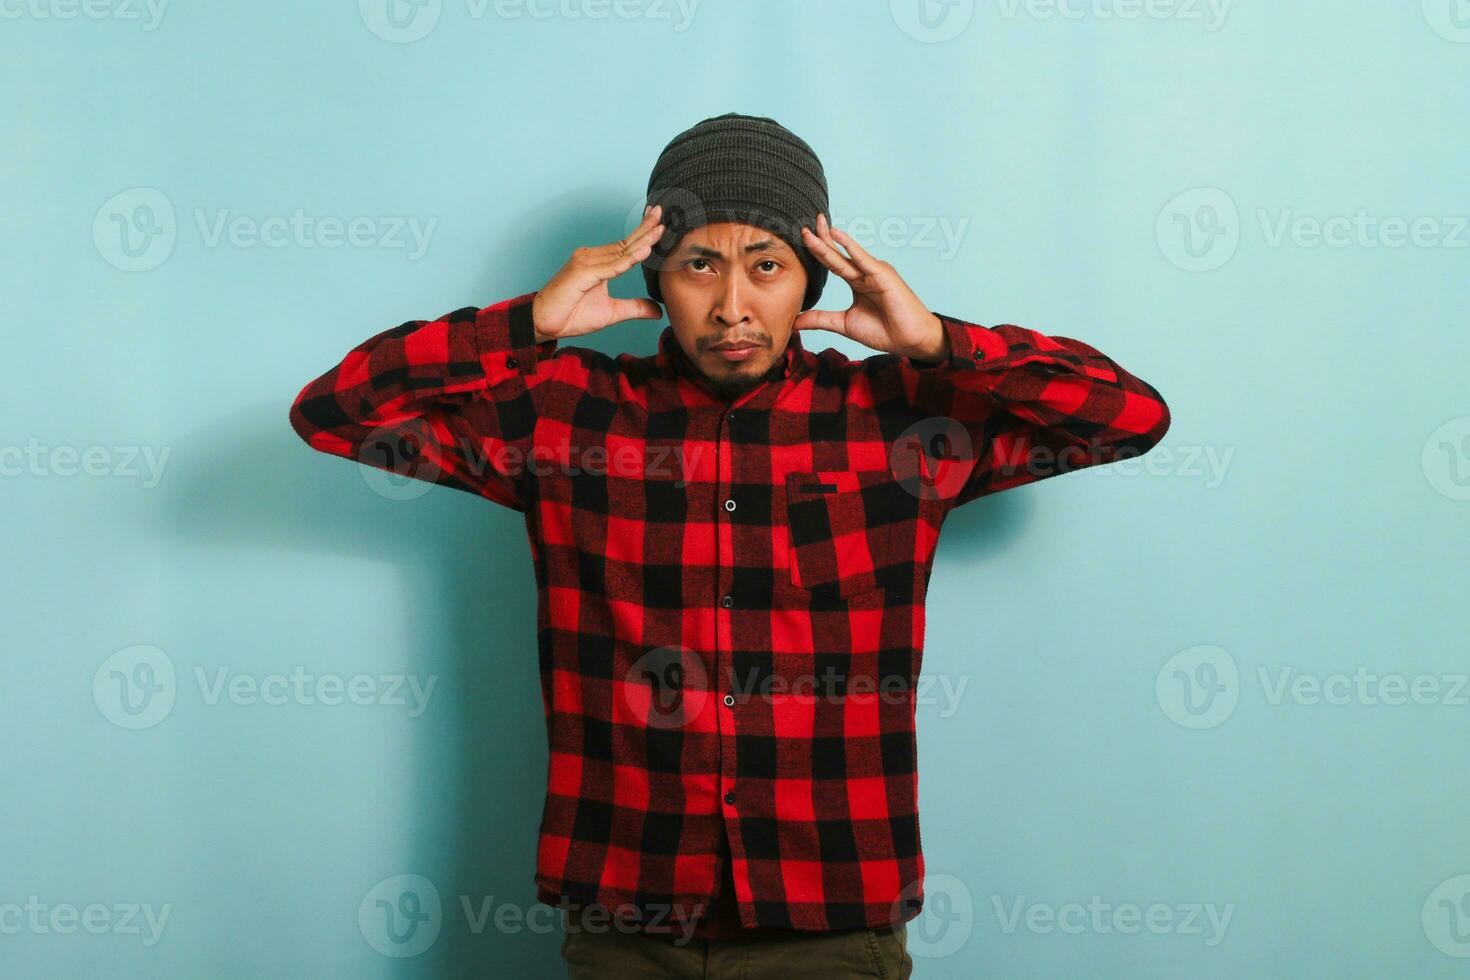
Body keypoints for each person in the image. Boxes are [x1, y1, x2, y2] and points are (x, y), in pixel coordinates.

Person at [289, 112, 1171, 978]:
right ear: (657, 277)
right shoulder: (561, 415)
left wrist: (942, 343)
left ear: (811, 281)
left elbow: (1131, 418)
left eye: (767, 266)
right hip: (626, 915)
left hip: (831, 916)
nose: (732, 306)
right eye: (699, 265)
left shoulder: (901, 419)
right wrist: (528, 327)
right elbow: (334, 412)